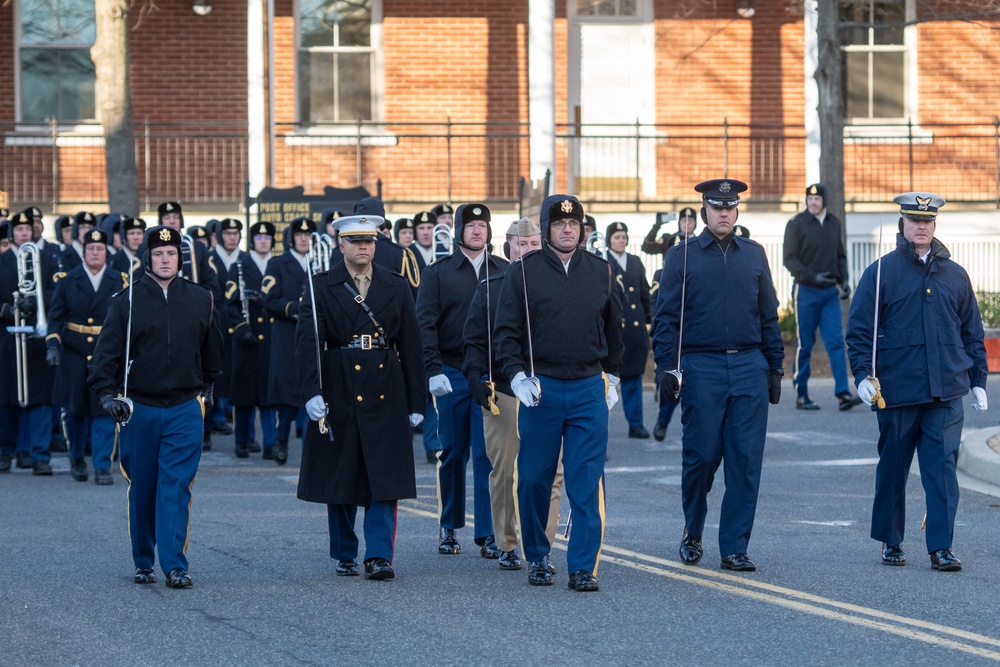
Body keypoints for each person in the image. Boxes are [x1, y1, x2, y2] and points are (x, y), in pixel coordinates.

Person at [846, 192, 988, 572]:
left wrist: (978, 380)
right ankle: (891, 541)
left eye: (927, 221)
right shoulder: (880, 273)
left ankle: (940, 546)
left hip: (945, 390)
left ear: (934, 225)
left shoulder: (956, 275)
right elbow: (859, 331)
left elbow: (971, 332)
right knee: (893, 467)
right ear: (903, 225)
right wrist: (861, 375)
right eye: (914, 220)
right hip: (897, 390)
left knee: (941, 470)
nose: (922, 226)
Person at [652, 178, 783, 573]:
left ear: (737, 210)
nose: (724, 213)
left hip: (748, 366)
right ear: (704, 211)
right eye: (716, 207)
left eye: (730, 207)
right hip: (702, 367)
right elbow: (666, 319)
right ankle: (693, 528)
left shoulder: (754, 255)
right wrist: (666, 368)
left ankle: (734, 547)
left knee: (744, 461)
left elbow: (769, 316)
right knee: (701, 458)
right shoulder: (682, 257)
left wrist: (774, 365)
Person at [494, 194, 623, 592]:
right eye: (559, 223)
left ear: (583, 229)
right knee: (533, 479)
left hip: (587, 387)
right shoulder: (524, 272)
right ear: (547, 230)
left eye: (574, 223)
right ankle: (537, 556)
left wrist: (613, 377)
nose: (568, 229)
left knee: (586, 482)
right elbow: (506, 333)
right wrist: (516, 377)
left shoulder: (601, 271)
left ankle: (583, 566)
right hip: (541, 389)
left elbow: (615, 332)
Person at [88, 225, 223, 588]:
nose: (166, 259)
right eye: (159, 254)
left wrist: (208, 390)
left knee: (176, 487)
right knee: (144, 487)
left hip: (184, 406)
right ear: (147, 257)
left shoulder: (201, 299)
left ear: (180, 257)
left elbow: (212, 352)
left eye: (172, 253)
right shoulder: (126, 301)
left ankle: (175, 564)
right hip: (140, 408)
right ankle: (143, 560)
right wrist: (107, 396)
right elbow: (105, 358)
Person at [296, 214, 425, 580]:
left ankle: (380, 555)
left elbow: (412, 345)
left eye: (369, 240)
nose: (364, 247)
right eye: (355, 241)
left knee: (385, 476)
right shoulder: (322, 285)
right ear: (341, 245)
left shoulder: (395, 285)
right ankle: (345, 551)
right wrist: (311, 391)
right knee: (341, 475)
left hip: (385, 383)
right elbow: (307, 344)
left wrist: (417, 401)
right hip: (339, 382)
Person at [463, 217, 564, 571]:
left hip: (548, 390)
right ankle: (506, 542)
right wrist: (476, 378)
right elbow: (474, 340)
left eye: (535, 244)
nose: (529, 251)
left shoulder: (556, 285)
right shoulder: (491, 286)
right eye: (522, 245)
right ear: (509, 247)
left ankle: (542, 546)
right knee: (506, 471)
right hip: (504, 391)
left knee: (551, 474)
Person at [416, 203, 508, 558]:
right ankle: (449, 526)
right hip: (453, 371)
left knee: (488, 454)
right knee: (452, 452)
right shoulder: (438, 273)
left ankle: (487, 532)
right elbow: (424, 324)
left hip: (489, 374)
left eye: (483, 225)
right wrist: (432, 369)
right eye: (470, 225)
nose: (477, 231)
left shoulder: (503, 270)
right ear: (457, 230)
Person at [46, 229, 126, 485]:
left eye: (100, 248)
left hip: (106, 354)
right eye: (90, 249)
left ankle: (102, 466)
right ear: (84, 252)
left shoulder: (119, 280)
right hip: (74, 353)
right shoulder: (68, 280)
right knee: (75, 412)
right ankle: (77, 459)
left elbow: (126, 319)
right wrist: (52, 344)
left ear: (106, 252)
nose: (95, 253)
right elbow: (56, 317)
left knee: (105, 411)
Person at [783, 183, 862, 411]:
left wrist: (844, 280)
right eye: (810, 199)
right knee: (805, 344)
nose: (813, 203)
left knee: (837, 342)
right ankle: (802, 395)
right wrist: (813, 277)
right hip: (805, 291)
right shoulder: (796, 224)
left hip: (829, 294)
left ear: (824, 201)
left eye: (817, 200)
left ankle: (843, 394)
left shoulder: (833, 223)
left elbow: (840, 255)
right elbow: (789, 260)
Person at [0, 211, 58, 475]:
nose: (24, 233)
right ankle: (5, 451)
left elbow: (56, 292)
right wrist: (6, 309)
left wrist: (33, 302)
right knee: (6, 397)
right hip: (7, 337)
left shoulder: (46, 260)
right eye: (19, 229)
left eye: (28, 228)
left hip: (35, 335)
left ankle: (38, 454)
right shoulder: (1, 261)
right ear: (11, 233)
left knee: (40, 397)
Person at [262, 217, 314, 464]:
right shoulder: (277, 263)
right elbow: (269, 300)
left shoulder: (320, 261)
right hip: (286, 336)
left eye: (308, 234)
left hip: (313, 336)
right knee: (286, 398)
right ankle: (280, 442)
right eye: (299, 234)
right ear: (291, 237)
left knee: (312, 392)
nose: (304, 238)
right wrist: (295, 307)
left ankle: (310, 447)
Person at [225, 221, 276, 459]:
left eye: (267, 237)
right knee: (243, 396)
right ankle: (241, 441)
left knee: (269, 396)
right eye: (258, 237)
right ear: (252, 240)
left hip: (271, 340)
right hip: (246, 338)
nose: (263, 241)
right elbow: (229, 303)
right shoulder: (240, 265)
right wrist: (241, 327)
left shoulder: (277, 264)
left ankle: (270, 444)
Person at [649, 210, 698, 441]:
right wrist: (657, 225)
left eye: (691, 220)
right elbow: (648, 245)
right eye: (684, 220)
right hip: (674, 335)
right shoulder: (663, 272)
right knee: (672, 383)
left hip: (694, 336)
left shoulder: (701, 261)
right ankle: (663, 421)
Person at [605, 221, 652, 438]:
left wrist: (650, 322)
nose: (621, 240)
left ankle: (636, 424)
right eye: (616, 237)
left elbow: (644, 294)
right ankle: (599, 430)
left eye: (623, 237)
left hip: (635, 331)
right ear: (609, 240)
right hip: (614, 332)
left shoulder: (634, 261)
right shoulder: (602, 261)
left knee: (634, 379)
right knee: (605, 384)